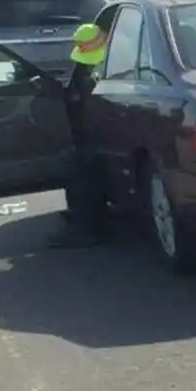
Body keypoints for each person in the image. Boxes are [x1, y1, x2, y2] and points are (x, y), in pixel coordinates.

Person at [57, 21, 108, 246]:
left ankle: (85, 226)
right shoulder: (118, 53)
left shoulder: (94, 71)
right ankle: (86, 218)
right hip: (106, 128)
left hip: (106, 130)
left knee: (82, 169)